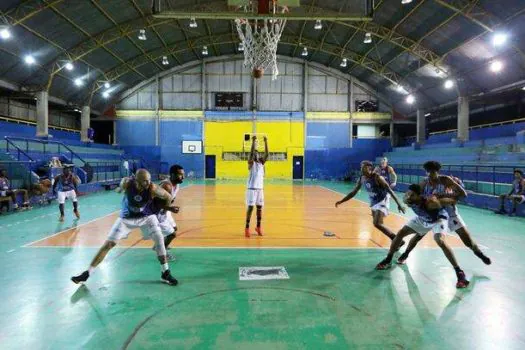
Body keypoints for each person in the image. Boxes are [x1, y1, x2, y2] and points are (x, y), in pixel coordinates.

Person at [71, 169, 179, 286]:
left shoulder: (152, 188)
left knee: (159, 239)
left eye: (149, 180)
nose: (148, 183)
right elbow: (120, 189)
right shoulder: (126, 183)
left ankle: (165, 273)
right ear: (136, 181)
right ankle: (87, 273)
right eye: (145, 181)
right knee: (109, 244)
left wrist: (165, 210)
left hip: (146, 217)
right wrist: (120, 189)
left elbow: (168, 197)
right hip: (127, 218)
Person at [375, 184, 470, 289]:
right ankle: (389, 259)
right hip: (423, 218)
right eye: (408, 194)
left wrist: (454, 193)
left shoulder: (431, 202)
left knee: (439, 241)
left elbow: (453, 200)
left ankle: (460, 273)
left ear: (420, 195)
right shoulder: (408, 199)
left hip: (438, 219)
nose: (409, 197)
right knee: (401, 233)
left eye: (412, 195)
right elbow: (412, 195)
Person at [396, 161, 491, 266]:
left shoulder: (445, 180)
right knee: (419, 235)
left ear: (437, 171)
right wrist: (408, 200)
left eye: (431, 172)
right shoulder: (424, 183)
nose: (429, 174)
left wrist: (443, 195)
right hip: (433, 213)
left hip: (449, 212)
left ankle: (479, 254)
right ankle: (406, 254)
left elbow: (463, 194)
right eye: (427, 172)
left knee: (466, 240)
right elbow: (414, 195)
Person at [335, 161, 406, 242]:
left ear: (369, 168)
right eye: (361, 167)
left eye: (363, 167)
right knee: (379, 224)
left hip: (383, 199)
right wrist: (341, 201)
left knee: (377, 223)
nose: (361, 169)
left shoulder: (377, 177)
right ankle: (395, 239)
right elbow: (353, 192)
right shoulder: (362, 178)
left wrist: (399, 204)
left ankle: (397, 240)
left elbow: (390, 190)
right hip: (374, 201)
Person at [151, 164, 185, 261]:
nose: (183, 177)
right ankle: (162, 252)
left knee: (174, 228)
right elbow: (155, 204)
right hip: (157, 213)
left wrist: (169, 207)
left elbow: (168, 199)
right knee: (172, 234)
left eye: (183, 174)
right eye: (180, 175)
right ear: (173, 175)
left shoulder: (176, 184)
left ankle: (158, 245)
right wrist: (170, 209)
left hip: (165, 210)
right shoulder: (166, 186)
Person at [245, 135, 268, 238]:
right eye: (255, 153)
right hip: (251, 189)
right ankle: (246, 228)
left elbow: (267, 154)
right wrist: (253, 143)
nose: (256, 154)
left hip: (260, 189)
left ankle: (258, 227)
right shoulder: (251, 163)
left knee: (259, 208)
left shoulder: (262, 164)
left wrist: (266, 141)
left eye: (257, 153)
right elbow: (250, 154)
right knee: (250, 208)